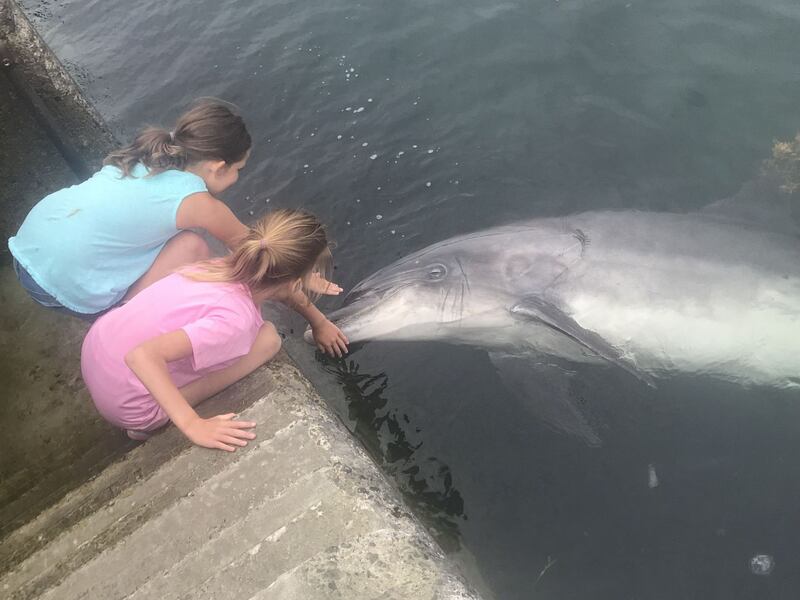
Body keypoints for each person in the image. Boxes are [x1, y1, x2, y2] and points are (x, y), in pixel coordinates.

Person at [8, 98, 341, 318]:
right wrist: (307, 294)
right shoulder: (202, 205)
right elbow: (266, 258)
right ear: (217, 167)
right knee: (193, 248)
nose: (238, 176)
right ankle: (121, 317)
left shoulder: (145, 153)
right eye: (239, 169)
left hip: (26, 247)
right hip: (59, 290)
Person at [81, 209, 349, 450]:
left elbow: (278, 287)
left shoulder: (219, 267)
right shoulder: (235, 321)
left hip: (98, 346)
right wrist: (192, 424)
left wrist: (319, 321)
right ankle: (144, 428)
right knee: (268, 339)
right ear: (296, 282)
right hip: (128, 405)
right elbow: (141, 357)